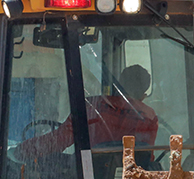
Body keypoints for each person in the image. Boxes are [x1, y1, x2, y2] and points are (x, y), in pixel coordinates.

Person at [14, 64, 158, 159]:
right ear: (143, 95)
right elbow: (146, 158)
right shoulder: (150, 117)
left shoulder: (91, 106)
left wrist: (20, 150)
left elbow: (58, 141)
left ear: (118, 83)